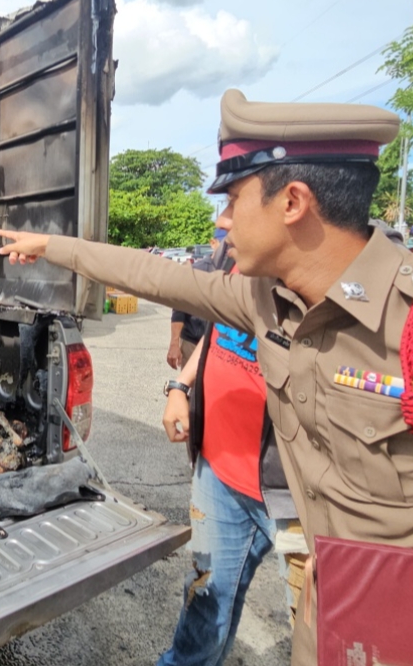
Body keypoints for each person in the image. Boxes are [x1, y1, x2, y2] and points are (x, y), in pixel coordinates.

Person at [0, 89, 413, 665]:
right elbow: (155, 276)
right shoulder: (269, 299)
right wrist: (50, 247)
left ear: (293, 201)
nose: (220, 221)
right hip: (333, 624)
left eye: (233, 200)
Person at [158, 234, 304, 666]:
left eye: (237, 198)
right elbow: (223, 325)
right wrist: (180, 383)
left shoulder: (335, 278)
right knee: (204, 600)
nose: (222, 220)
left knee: (325, 634)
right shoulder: (241, 256)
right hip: (218, 475)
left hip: (297, 499)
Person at [167, 231, 223, 369]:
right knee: (191, 387)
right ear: (213, 243)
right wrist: (174, 344)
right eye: (226, 244)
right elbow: (179, 308)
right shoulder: (196, 272)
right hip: (193, 342)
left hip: (223, 347)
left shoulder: (238, 273)